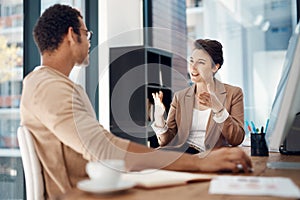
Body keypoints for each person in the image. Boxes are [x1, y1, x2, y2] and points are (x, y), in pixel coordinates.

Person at [20, 4, 252, 199]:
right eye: (86, 33)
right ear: (72, 35)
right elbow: (104, 148)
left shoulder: (60, 86)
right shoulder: (46, 86)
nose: (90, 41)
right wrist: (200, 163)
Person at [152, 39, 245, 154]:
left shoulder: (233, 93)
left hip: (210, 156)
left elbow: (237, 139)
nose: (193, 67)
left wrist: (219, 109)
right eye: (191, 61)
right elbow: (167, 142)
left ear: (215, 67)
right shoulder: (180, 97)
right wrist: (159, 119)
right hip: (181, 153)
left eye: (201, 62)